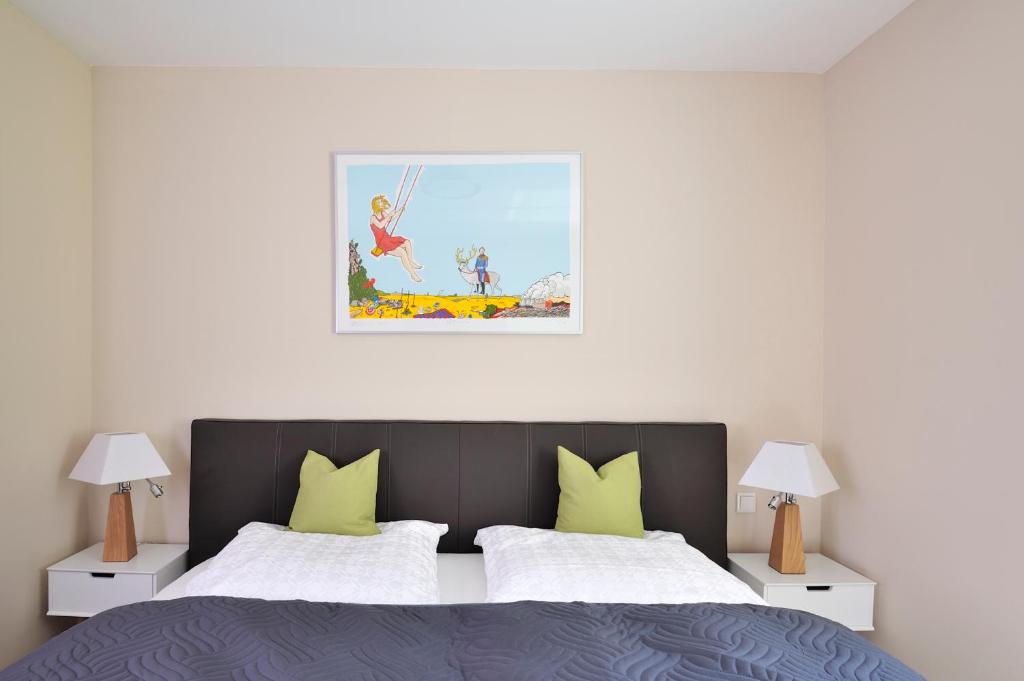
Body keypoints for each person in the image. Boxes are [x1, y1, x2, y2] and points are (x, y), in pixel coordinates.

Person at [369, 194, 423, 282]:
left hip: (387, 238)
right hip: (381, 242)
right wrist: (389, 215)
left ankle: (411, 261)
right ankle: (413, 274)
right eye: (379, 203)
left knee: (407, 242)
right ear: (375, 205)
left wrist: (399, 211)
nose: (381, 204)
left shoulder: (383, 213)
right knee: (402, 253)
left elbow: (391, 219)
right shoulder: (373, 218)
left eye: (381, 202)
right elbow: (380, 225)